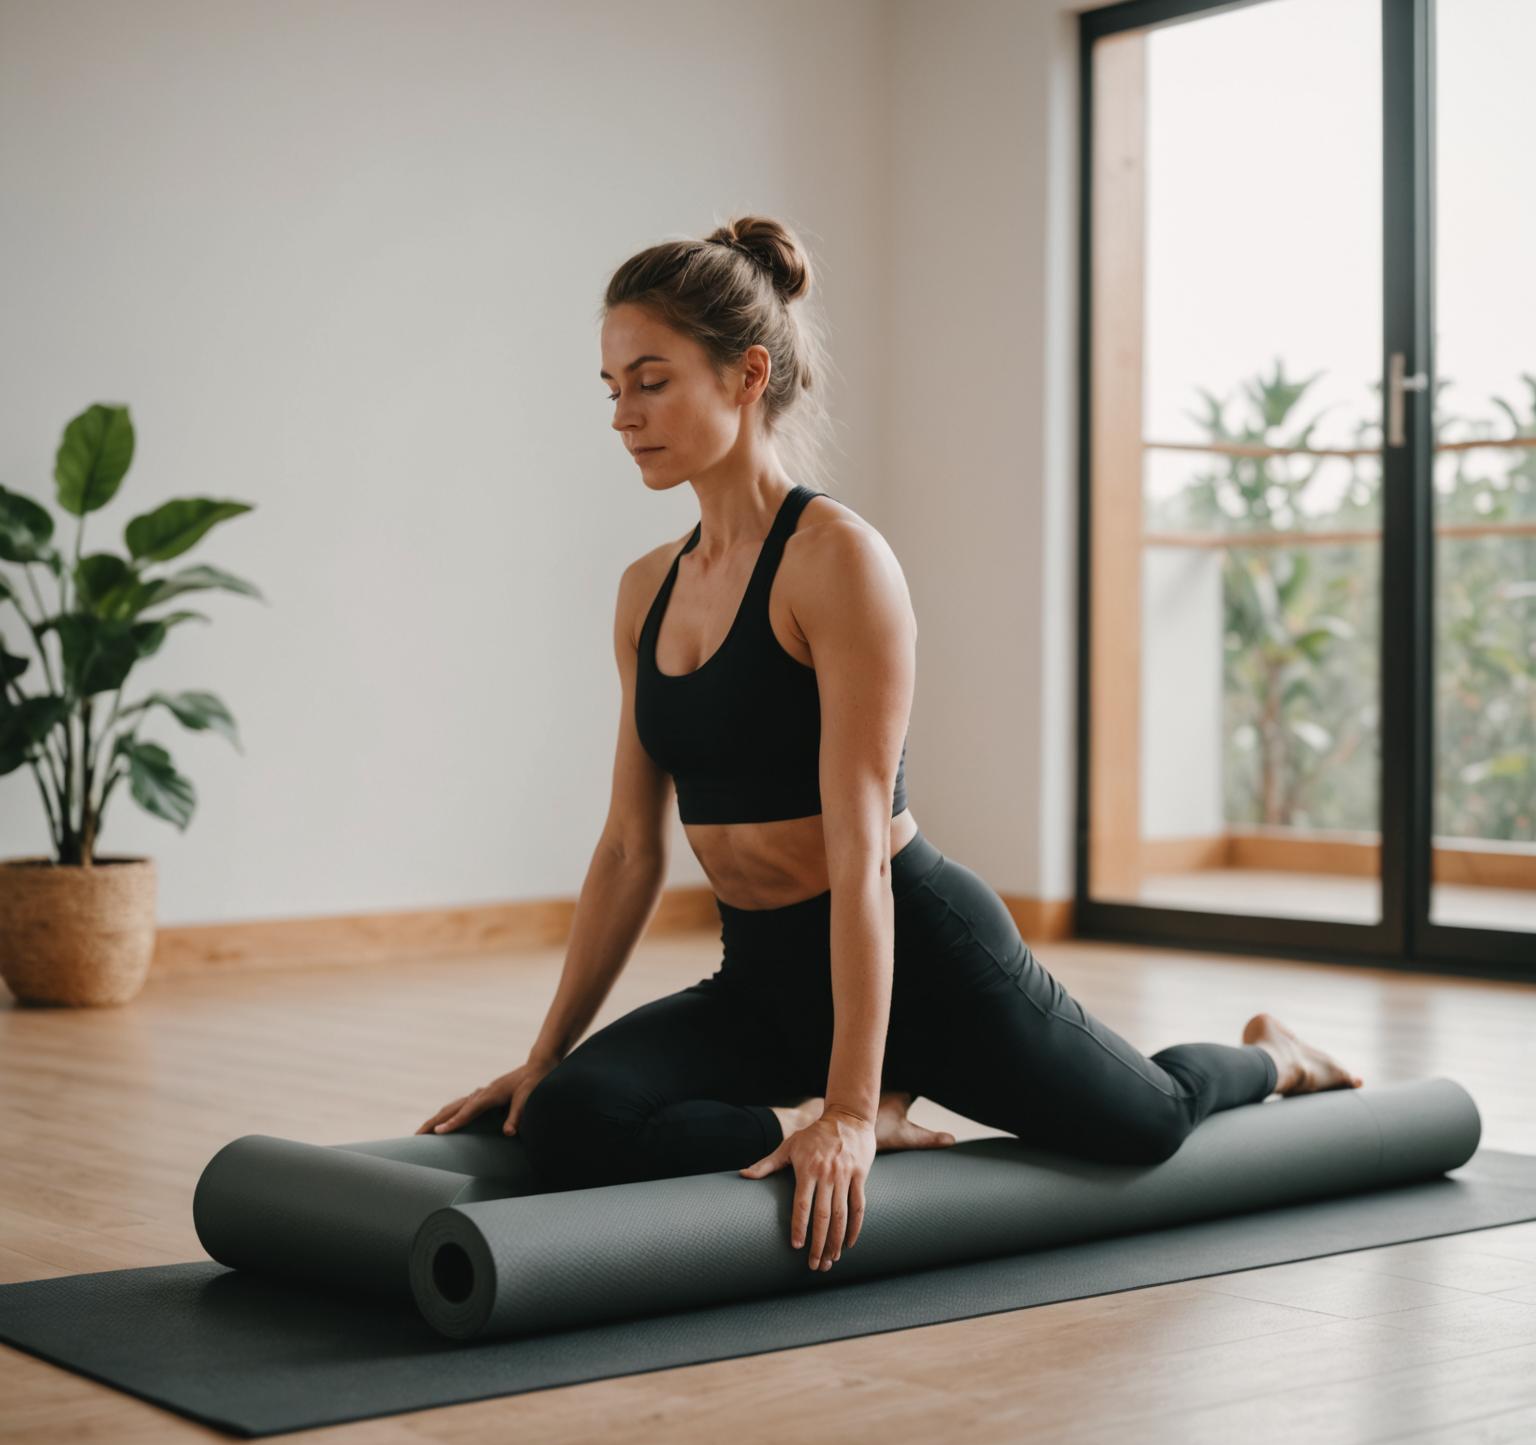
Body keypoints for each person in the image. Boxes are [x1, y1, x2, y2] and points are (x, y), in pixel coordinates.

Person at [417, 214, 1364, 1277]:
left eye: (651, 382)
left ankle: (1272, 1059)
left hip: (925, 961)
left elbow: (859, 850)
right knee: (567, 1118)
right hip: (766, 977)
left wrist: (850, 1111)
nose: (623, 415)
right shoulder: (648, 589)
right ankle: (815, 1114)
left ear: (747, 376)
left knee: (1147, 1125)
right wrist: (544, 1059)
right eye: (611, 389)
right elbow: (630, 849)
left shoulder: (837, 561)